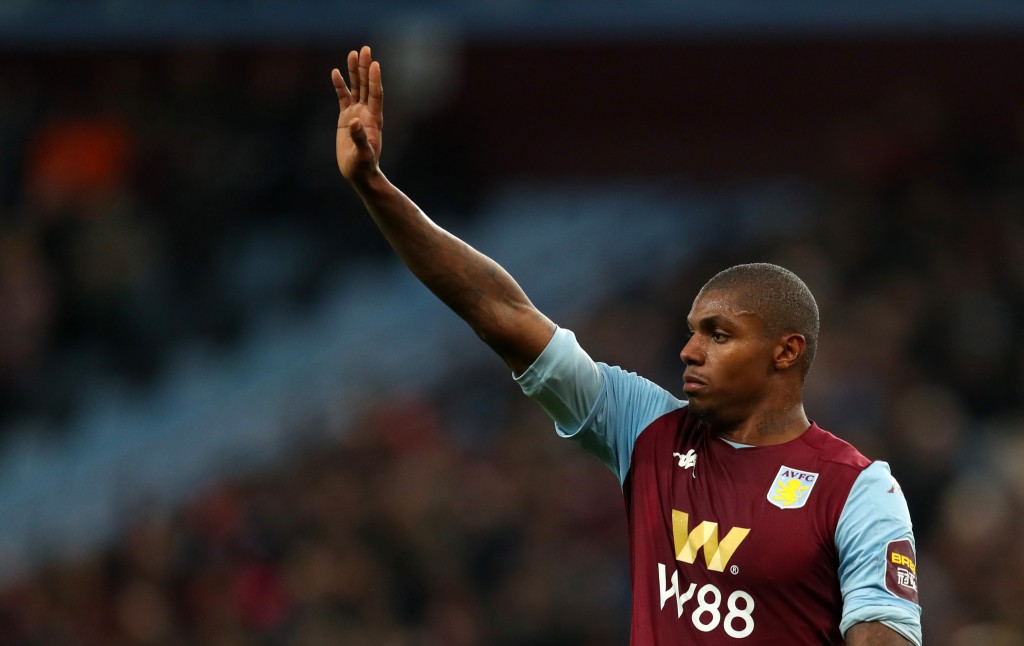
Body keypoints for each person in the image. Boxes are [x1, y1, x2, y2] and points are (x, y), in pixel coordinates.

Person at [331, 46, 923, 645]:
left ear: (786, 352)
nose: (690, 351)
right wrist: (376, 188)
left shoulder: (858, 490)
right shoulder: (648, 430)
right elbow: (500, 312)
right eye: (692, 331)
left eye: (718, 335)